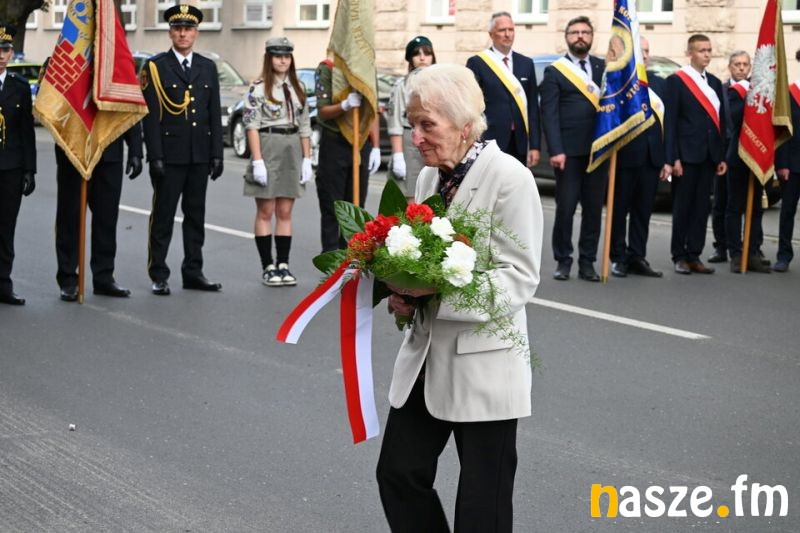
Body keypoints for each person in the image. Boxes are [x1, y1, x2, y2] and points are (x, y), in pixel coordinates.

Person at [376, 64, 543, 533]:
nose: (416, 137)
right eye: (412, 124)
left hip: (485, 365)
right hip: (427, 359)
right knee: (399, 473)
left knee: (482, 507)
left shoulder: (509, 179)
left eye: (427, 125)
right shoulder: (429, 179)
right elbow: (423, 260)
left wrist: (435, 291)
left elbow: (519, 278)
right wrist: (405, 295)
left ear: (464, 126)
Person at [140, 4, 224, 295]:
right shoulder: (155, 67)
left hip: (199, 154)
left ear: (196, 33)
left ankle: (193, 271)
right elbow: (150, 117)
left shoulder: (207, 67)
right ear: (170, 32)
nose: (183, 34)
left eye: (188, 29)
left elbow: (213, 113)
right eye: (178, 29)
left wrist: (217, 154)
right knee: (163, 217)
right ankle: (159, 273)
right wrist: (155, 156)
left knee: (195, 216)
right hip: (170, 155)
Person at [540, 16, 606, 281]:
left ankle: (587, 261)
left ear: (592, 36)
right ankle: (563, 259)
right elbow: (549, 114)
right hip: (567, 153)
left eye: (585, 32)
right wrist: (555, 149)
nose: (580, 36)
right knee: (566, 209)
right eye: (575, 32)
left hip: (598, 151)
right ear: (567, 37)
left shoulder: (603, 68)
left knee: (593, 210)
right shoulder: (555, 71)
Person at [243, 37, 312, 287]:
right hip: (268, 145)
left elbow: (304, 125)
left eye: (286, 56)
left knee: (285, 211)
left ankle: (283, 264)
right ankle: (268, 266)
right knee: (266, 211)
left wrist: (307, 158)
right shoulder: (259, 89)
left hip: (292, 148)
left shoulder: (298, 87)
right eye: (277, 56)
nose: (283, 60)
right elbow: (251, 126)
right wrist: (257, 161)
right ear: (269, 58)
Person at [55, 125, 144, 301]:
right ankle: (68, 279)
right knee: (70, 217)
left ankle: (104, 276)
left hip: (109, 151)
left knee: (107, 218)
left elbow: (129, 108)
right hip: (75, 150)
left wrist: (135, 150)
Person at [665, 34, 727, 275]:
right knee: (683, 207)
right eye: (702, 50)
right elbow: (671, 122)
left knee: (702, 208)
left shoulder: (714, 83)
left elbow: (721, 122)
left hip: (709, 155)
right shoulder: (677, 81)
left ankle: (694, 254)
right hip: (686, 156)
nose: (707, 54)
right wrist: (673, 157)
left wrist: (721, 156)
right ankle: (679, 255)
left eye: (709, 50)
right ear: (690, 53)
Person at [609, 36, 669, 278]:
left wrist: (666, 158)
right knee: (619, 210)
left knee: (643, 211)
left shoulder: (660, 83)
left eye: (647, 51)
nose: (644, 55)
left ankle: (637, 256)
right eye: (640, 50)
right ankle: (618, 257)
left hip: (652, 157)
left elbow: (668, 123)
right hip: (625, 156)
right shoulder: (620, 83)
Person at [315, 51, 381, 253]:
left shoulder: (366, 70)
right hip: (335, 143)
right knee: (332, 207)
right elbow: (323, 111)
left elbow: (373, 110)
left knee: (356, 208)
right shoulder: (327, 69)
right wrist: (344, 105)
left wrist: (376, 147)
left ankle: (352, 259)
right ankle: (331, 261)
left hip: (360, 144)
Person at [465, 12, 541, 167]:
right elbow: (472, 106)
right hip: (490, 140)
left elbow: (533, 108)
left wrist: (535, 145)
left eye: (511, 29)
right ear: (491, 34)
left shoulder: (526, 63)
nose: (507, 34)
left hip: (520, 142)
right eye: (502, 30)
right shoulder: (477, 63)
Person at [0, 24, 36, 306]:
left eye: (5, 49)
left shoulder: (19, 86)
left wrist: (29, 170)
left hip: (10, 168)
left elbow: (26, 132)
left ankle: (3, 284)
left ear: (11, 53)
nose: (1, 55)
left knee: (5, 229)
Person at [723, 78, 771, 273]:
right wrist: (752, 97)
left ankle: (752, 253)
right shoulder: (739, 91)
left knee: (757, 208)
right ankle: (736, 254)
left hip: (761, 156)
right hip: (739, 156)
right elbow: (733, 119)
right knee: (735, 207)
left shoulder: (772, 94)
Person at [709, 50, 752, 264]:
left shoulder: (756, 91)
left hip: (749, 152)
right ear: (730, 67)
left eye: (745, 64)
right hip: (725, 152)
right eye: (737, 64)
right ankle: (721, 247)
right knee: (721, 201)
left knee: (748, 203)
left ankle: (751, 248)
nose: (741, 68)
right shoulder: (722, 90)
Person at [386, 36, 436, 200]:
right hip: (411, 142)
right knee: (411, 196)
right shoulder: (403, 85)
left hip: (436, 139)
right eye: (417, 54)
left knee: (434, 195)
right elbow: (395, 123)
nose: (422, 58)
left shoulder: (441, 83)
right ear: (410, 59)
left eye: (427, 53)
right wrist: (398, 155)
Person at [773, 48, 800, 272]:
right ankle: (783, 255)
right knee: (788, 211)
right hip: (793, 164)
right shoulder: (790, 94)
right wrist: (782, 163)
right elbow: (782, 131)